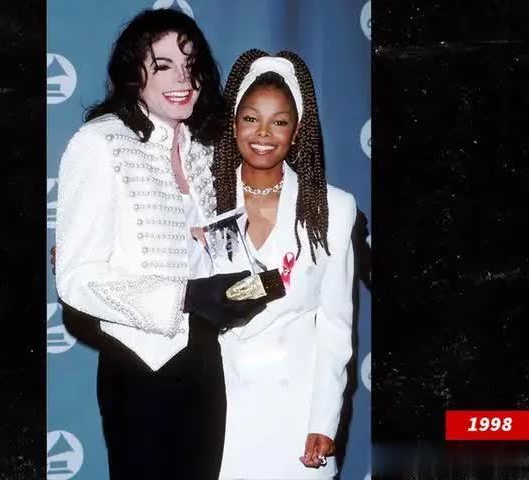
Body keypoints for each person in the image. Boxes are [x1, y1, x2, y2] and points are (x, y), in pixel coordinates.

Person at [54, 10, 267, 480]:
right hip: (139, 364)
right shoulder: (100, 143)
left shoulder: (203, 149)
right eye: (163, 64)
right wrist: (186, 296)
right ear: (134, 71)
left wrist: (245, 285)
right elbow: (75, 278)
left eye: (190, 65)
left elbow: (207, 248)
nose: (182, 79)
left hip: (206, 359)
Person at [211, 50, 357, 480]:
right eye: (250, 118)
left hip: (294, 414)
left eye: (279, 122)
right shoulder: (201, 198)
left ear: (297, 132)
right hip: (218, 406)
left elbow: (335, 326)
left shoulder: (333, 209)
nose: (263, 133)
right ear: (233, 124)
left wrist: (323, 421)